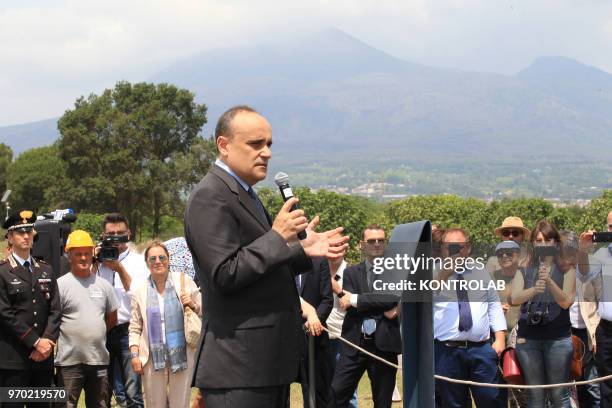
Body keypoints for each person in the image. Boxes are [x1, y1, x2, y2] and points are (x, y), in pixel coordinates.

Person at [184, 105, 349, 408]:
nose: (267, 153)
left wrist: (302, 250)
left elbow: (260, 268)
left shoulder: (246, 193)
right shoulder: (211, 196)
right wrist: (277, 237)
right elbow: (224, 274)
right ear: (224, 145)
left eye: (269, 144)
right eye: (255, 144)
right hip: (238, 366)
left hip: (266, 364)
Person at [433, 228, 506, 408]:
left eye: (460, 247)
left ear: (468, 248)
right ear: (442, 248)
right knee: (453, 403)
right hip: (447, 351)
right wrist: (444, 274)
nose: (455, 251)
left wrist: (500, 338)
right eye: (449, 247)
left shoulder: (480, 271)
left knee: (491, 399)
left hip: (481, 349)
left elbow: (494, 303)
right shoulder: (431, 272)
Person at [331, 225, 402, 408]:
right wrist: (380, 303)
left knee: (383, 402)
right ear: (362, 245)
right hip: (354, 344)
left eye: (381, 240)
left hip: (384, 345)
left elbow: (391, 298)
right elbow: (349, 305)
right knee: (336, 394)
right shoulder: (351, 272)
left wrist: (356, 299)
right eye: (371, 241)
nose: (377, 244)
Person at [511, 220, 575, 408]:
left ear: (555, 243)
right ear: (533, 243)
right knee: (535, 395)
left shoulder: (567, 269)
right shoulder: (523, 268)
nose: (543, 244)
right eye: (538, 240)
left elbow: (565, 301)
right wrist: (533, 290)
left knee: (558, 394)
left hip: (558, 340)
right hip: (528, 340)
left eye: (547, 240)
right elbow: (514, 298)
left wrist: (549, 281)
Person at [129, 241, 201, 408]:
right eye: (152, 258)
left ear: (169, 260)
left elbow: (202, 310)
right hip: (152, 357)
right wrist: (134, 356)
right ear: (147, 263)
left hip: (182, 355)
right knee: (154, 404)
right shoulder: (140, 290)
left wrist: (192, 303)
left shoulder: (184, 281)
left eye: (162, 257)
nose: (157, 261)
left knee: (180, 404)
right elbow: (134, 327)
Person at [0, 210, 60, 407]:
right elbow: (4, 313)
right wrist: (35, 342)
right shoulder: (3, 272)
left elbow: (55, 310)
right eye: (20, 232)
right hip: (14, 360)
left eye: (29, 231)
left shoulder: (46, 269)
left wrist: (47, 341)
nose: (26, 236)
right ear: (10, 237)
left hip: (42, 360)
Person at [55, 230, 119, 408]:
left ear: (92, 254)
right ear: (69, 256)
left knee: (99, 404)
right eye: (78, 254)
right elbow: (54, 320)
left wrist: (94, 332)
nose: (83, 258)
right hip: (68, 362)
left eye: (86, 253)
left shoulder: (104, 286)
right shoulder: (60, 285)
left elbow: (112, 319)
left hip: (98, 360)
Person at [97, 213, 148, 408]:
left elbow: (140, 296)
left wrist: (119, 269)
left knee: (133, 391)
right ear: (103, 236)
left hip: (129, 332)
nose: (115, 238)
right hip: (102, 331)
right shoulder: (96, 260)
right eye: (111, 234)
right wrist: (94, 262)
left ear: (129, 234)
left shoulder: (139, 261)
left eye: (120, 233)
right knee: (102, 390)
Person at [561, 230, 600, 408]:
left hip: (588, 333)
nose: (568, 258)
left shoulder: (589, 266)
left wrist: (597, 334)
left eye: (571, 253)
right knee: (569, 386)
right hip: (565, 334)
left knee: (592, 384)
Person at [577, 210, 612, 407]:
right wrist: (583, 250)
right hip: (607, 330)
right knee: (606, 385)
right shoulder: (601, 254)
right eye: (610, 227)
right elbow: (583, 276)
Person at [295, 257, 334, 407]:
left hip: (314, 338)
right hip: (284, 337)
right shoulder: (279, 258)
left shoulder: (319, 261)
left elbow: (327, 299)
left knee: (317, 393)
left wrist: (313, 321)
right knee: (280, 392)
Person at [326, 254, 359, 408]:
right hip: (321, 337)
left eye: (337, 248)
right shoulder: (318, 271)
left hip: (344, 338)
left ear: (345, 250)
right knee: (324, 387)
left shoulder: (353, 272)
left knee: (348, 390)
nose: (333, 253)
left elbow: (355, 303)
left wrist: (339, 291)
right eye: (330, 247)